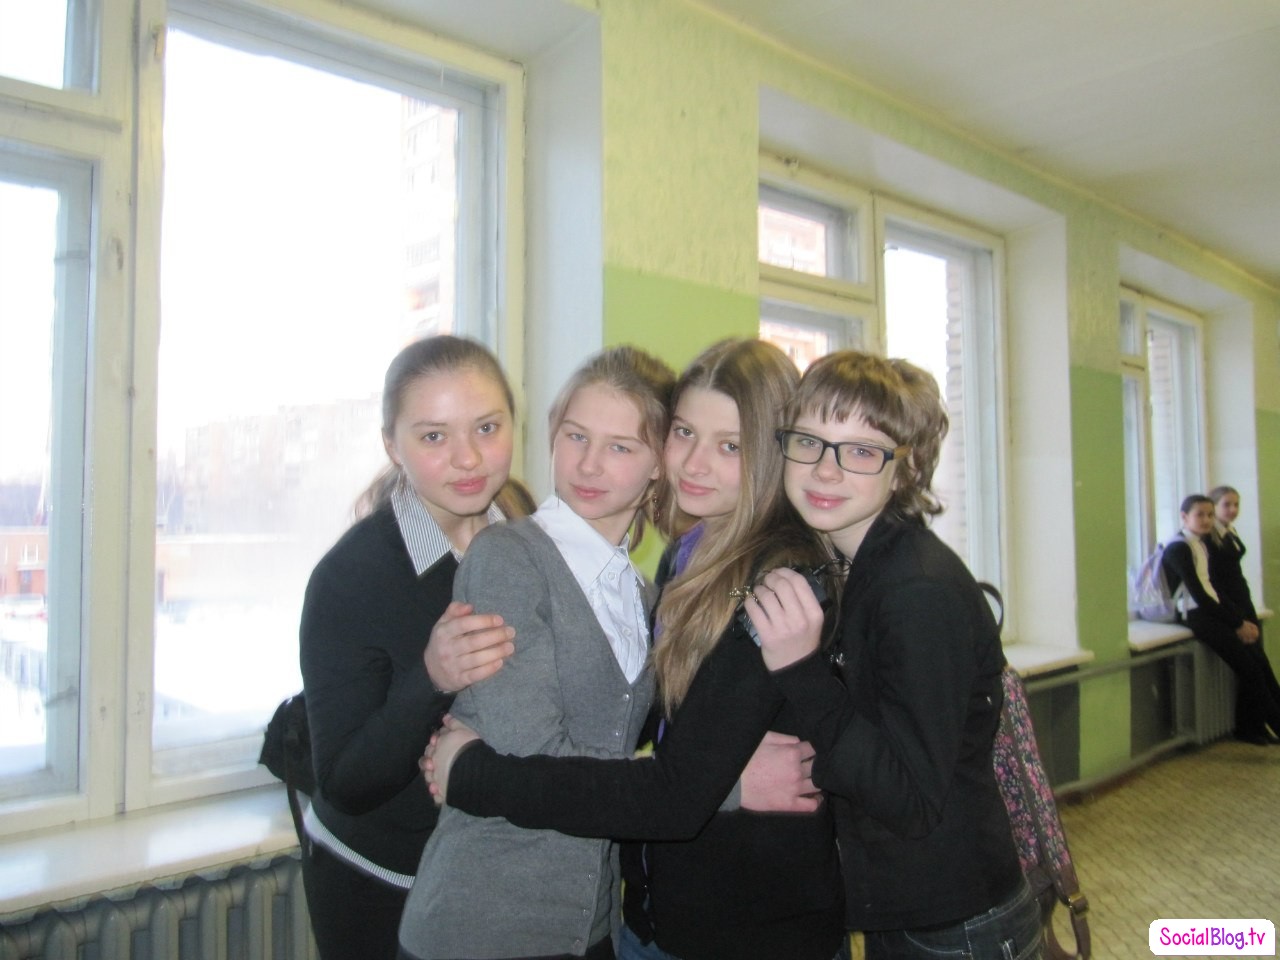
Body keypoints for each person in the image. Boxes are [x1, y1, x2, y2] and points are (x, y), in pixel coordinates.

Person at [423, 338, 846, 960]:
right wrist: (721, 779)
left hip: (745, 925)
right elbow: (643, 739)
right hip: (568, 917)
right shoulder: (680, 563)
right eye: (686, 434)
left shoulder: (772, 577)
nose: (695, 464)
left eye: (730, 446)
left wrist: (469, 772)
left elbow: (669, 779)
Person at [751, 350, 1042, 960]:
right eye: (809, 441)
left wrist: (801, 671)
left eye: (861, 451)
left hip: (955, 926)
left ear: (903, 469)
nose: (825, 470)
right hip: (912, 909)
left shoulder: (916, 590)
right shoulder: (853, 565)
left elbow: (909, 799)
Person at [397, 345, 675, 960]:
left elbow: (635, 741)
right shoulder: (509, 559)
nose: (588, 464)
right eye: (576, 436)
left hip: (591, 925)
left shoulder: (641, 593)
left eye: (620, 447)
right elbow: (534, 760)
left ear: (659, 464)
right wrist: (709, 787)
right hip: (482, 925)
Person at [298, 335, 532, 960]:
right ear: (392, 446)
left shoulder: (526, 534)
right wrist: (430, 678)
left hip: (491, 870)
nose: (468, 457)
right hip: (382, 879)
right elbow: (345, 783)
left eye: (487, 427)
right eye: (433, 436)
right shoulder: (350, 578)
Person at [1162, 493, 1280, 746]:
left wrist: (1239, 618)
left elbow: (1214, 589)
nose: (1206, 520)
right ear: (1184, 517)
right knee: (1250, 669)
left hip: (1210, 612)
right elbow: (1199, 595)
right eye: (1200, 515)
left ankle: (1266, 724)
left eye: (1210, 515)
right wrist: (1236, 623)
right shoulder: (1178, 547)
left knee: (1257, 663)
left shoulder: (1200, 544)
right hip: (1194, 615)